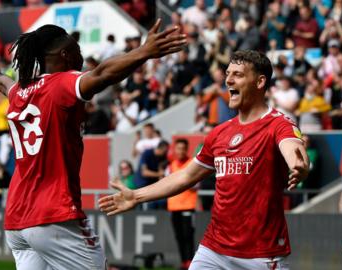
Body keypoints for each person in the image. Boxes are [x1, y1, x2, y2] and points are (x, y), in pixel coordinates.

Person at [0, 19, 186, 270]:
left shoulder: (20, 91)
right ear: (65, 54)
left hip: (16, 219)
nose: (82, 55)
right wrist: (144, 51)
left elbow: (4, 83)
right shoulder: (62, 83)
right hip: (53, 214)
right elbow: (102, 74)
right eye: (77, 49)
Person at [99, 50, 310, 270]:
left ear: (259, 82)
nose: (228, 79)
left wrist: (299, 166)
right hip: (214, 248)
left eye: (237, 74)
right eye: (228, 73)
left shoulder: (279, 124)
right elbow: (186, 176)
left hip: (261, 254)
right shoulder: (219, 134)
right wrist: (136, 196)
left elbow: (293, 149)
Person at [167, 138, 197, 270]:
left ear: (186, 149)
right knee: (178, 235)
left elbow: (197, 185)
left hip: (188, 206)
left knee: (188, 235)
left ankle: (190, 262)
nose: (181, 151)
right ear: (175, 149)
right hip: (174, 206)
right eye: (178, 148)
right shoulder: (171, 165)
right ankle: (183, 261)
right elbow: (166, 184)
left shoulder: (192, 164)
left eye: (183, 148)